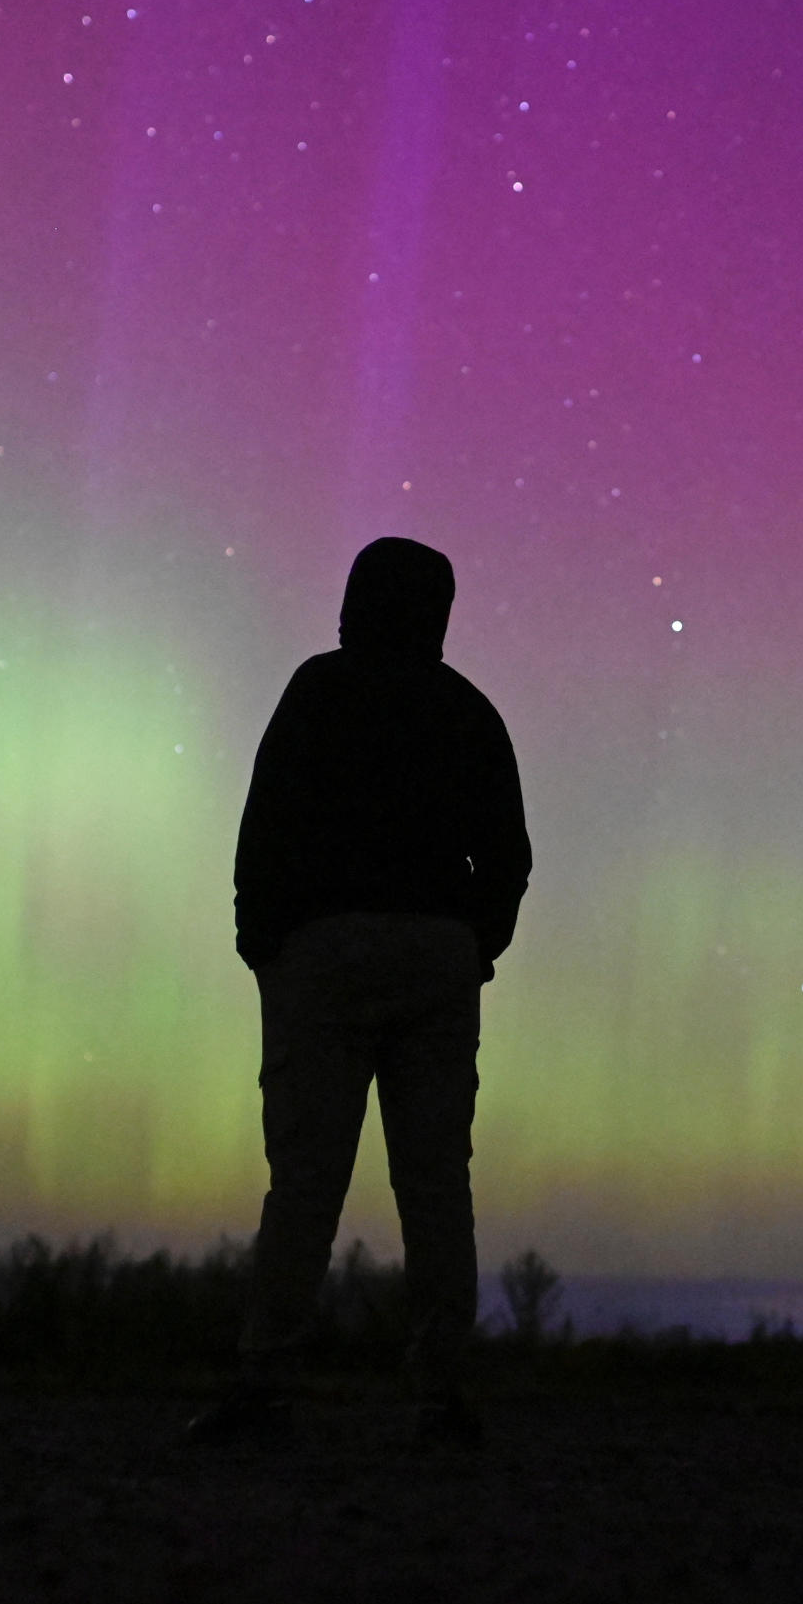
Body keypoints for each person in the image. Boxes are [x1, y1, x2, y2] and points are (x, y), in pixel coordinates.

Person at [188, 538, 532, 1447]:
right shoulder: (469, 714)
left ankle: (265, 1385)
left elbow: (264, 826)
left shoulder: (319, 692)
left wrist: (265, 941)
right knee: (434, 1182)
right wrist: (472, 944)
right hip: (431, 957)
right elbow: (509, 857)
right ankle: (439, 1394)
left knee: (304, 1180)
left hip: (327, 953)